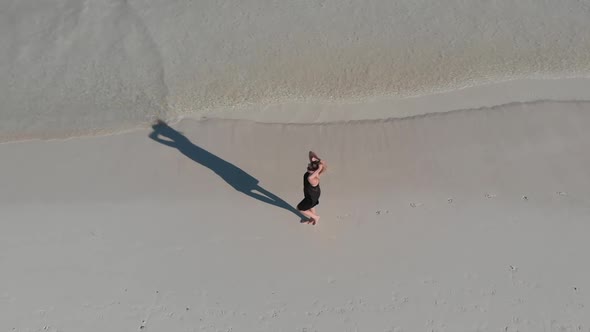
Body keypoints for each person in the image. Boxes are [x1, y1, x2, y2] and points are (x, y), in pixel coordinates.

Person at [297, 151, 327, 225]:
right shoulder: (314, 172)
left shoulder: (312, 178)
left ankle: (315, 217)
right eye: (310, 165)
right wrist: (318, 160)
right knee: (312, 205)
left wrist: (319, 168)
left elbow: (310, 178)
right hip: (312, 193)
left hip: (311, 196)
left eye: (310, 167)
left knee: (299, 208)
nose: (309, 166)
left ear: (315, 171)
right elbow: (310, 153)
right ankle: (311, 219)